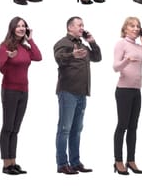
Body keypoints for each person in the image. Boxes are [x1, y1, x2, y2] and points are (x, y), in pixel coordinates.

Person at [53, 16, 102, 174]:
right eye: (79, 25)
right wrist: (72, 55)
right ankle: (62, 164)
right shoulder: (62, 43)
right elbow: (58, 58)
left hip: (82, 93)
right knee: (65, 129)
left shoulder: (83, 45)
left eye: (83, 25)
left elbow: (97, 58)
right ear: (70, 28)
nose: (82, 28)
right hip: (68, 91)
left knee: (77, 130)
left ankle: (75, 162)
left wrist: (92, 42)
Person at [0, 17, 42, 175]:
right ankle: (6, 164)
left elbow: (38, 57)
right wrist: (9, 59)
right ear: (12, 28)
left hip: (24, 90)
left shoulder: (25, 47)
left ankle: (13, 162)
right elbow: (2, 69)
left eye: (24, 26)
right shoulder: (5, 46)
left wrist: (31, 40)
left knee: (16, 129)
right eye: (18, 26)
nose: (21, 28)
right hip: (9, 90)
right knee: (8, 127)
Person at [112, 17, 142, 175]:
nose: (136, 28)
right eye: (132, 26)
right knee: (122, 125)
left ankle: (131, 160)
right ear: (125, 29)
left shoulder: (139, 46)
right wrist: (126, 61)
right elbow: (115, 67)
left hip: (136, 90)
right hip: (123, 90)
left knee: (133, 127)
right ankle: (118, 161)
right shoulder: (121, 43)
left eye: (138, 26)